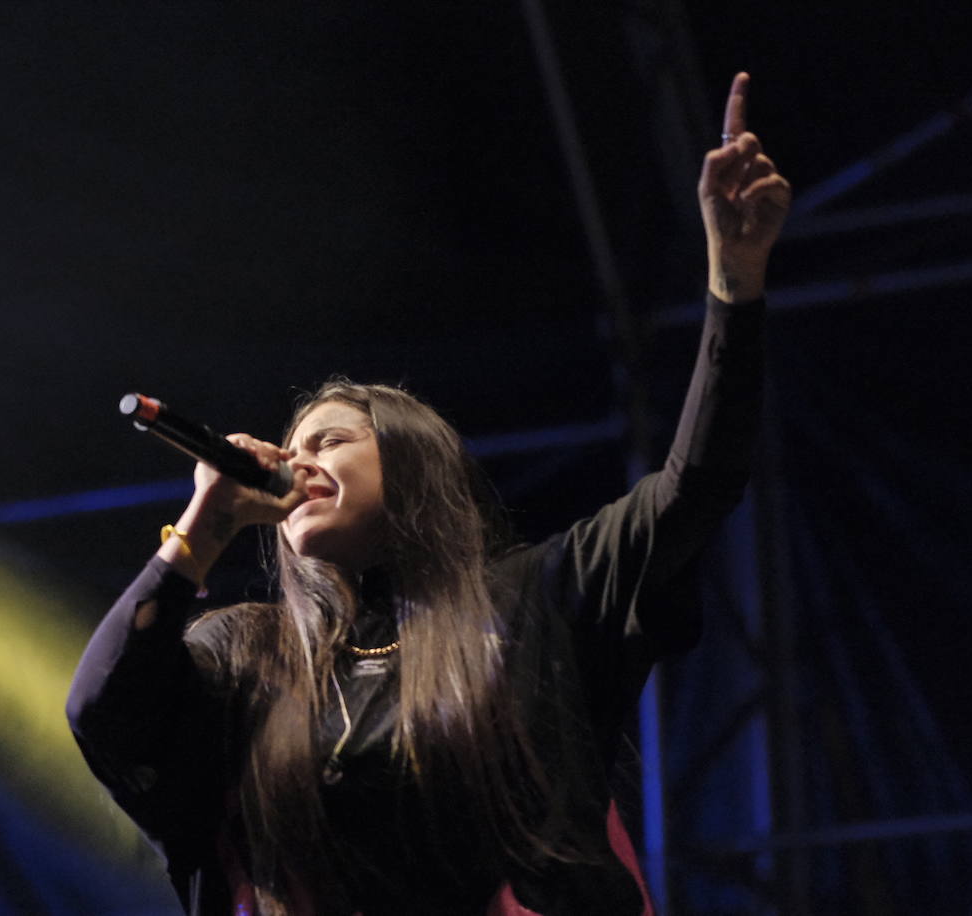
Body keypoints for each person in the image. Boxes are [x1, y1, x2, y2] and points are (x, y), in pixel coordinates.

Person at [67, 72, 790, 915]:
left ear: (412, 466)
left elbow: (696, 486)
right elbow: (104, 712)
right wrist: (204, 524)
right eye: (290, 449)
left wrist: (733, 285)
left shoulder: (536, 600)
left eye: (330, 440)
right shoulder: (249, 658)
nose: (298, 464)